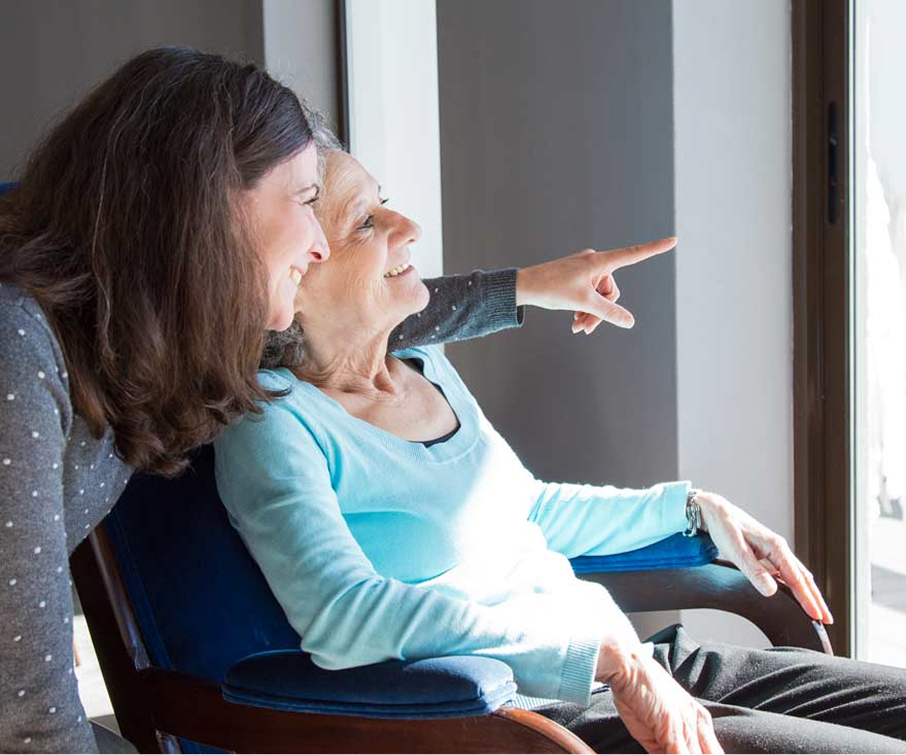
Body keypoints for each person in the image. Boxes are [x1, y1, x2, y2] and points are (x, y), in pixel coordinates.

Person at [0, 47, 652, 754]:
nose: (318, 246)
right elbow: (31, 721)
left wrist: (524, 288)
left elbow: (351, 316)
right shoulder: (20, 351)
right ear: (208, 204)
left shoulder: (143, 345)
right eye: (310, 203)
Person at [214, 149, 906, 755]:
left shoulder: (422, 365)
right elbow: (346, 618)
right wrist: (607, 663)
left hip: (630, 662)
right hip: (532, 721)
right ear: (295, 273)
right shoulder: (274, 421)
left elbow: (529, 510)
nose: (408, 229)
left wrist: (693, 507)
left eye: (386, 206)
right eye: (365, 222)